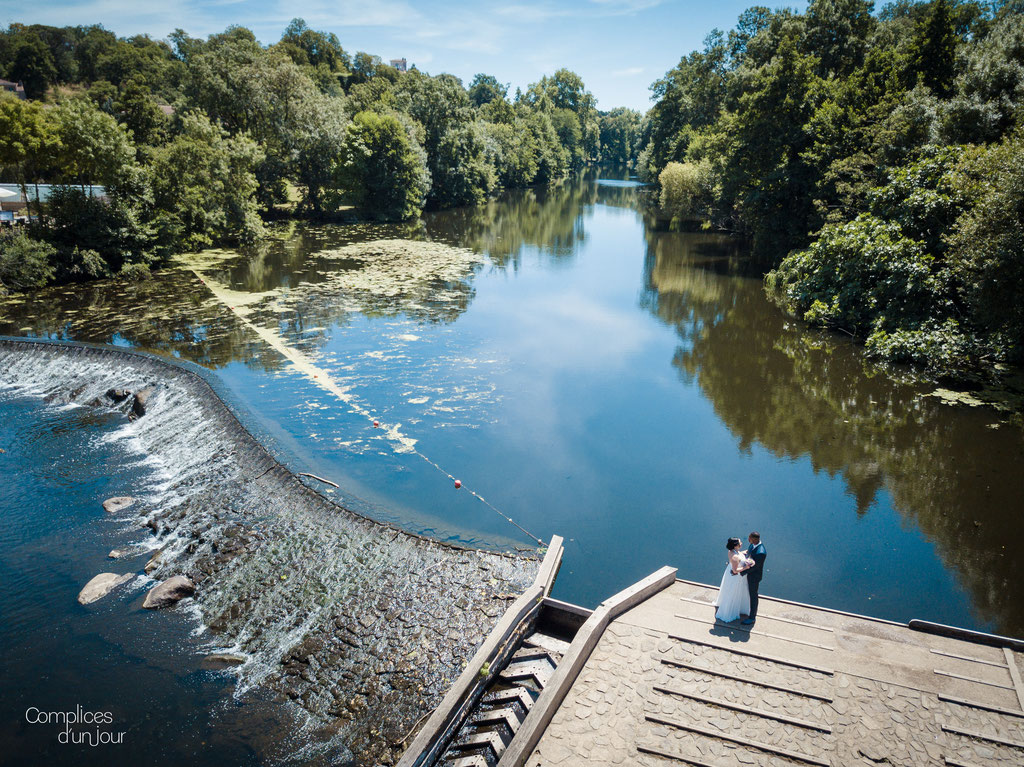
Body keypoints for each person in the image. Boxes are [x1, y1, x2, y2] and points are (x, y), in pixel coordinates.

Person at [714, 537, 754, 622]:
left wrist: (745, 552)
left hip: (730, 575)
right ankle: (730, 610)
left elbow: (739, 554)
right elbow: (735, 570)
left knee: (729, 591)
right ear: (735, 545)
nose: (741, 543)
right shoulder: (735, 557)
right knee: (733, 592)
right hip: (735, 577)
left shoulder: (731, 551)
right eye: (740, 543)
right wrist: (746, 567)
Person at [740, 531, 767, 625]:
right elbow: (749, 553)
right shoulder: (752, 545)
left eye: (750, 538)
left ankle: (752, 617)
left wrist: (741, 572)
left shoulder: (761, 552)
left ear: (755, 539)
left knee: (753, 595)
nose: (748, 540)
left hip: (754, 577)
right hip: (749, 572)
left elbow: (756, 567)